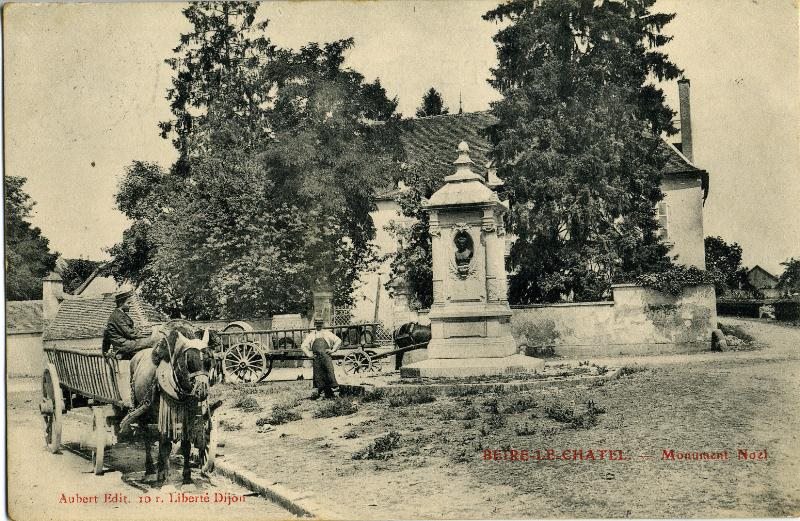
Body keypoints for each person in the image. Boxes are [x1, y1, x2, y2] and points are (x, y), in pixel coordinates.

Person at [103, 290, 159, 359]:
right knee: (154, 341)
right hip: (123, 345)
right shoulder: (117, 316)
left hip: (126, 343)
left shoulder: (120, 314)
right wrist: (146, 336)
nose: (130, 306)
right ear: (121, 303)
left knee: (153, 340)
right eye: (128, 303)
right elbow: (129, 333)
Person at [300, 318, 342, 399]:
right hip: (317, 359)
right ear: (315, 325)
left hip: (326, 357)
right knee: (318, 376)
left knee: (330, 374)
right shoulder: (312, 335)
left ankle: (333, 394)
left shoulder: (327, 333)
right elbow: (303, 346)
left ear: (322, 324)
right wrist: (309, 354)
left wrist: (333, 350)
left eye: (320, 324)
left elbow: (338, 341)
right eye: (317, 324)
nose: (318, 325)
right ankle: (321, 394)